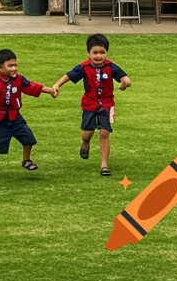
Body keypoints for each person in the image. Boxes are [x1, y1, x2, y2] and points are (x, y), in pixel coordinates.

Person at [0, 48, 56, 181]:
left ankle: (26, 160)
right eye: (10, 66)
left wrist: (49, 90)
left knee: (28, 139)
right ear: (0, 67)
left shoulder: (19, 79)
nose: (14, 68)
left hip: (15, 118)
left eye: (15, 65)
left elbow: (31, 86)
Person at [51, 34, 131, 177]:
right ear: (88, 53)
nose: (99, 56)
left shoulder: (110, 66)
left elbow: (125, 78)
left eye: (102, 52)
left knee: (104, 132)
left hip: (106, 104)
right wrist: (57, 85)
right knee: (87, 132)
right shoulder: (84, 67)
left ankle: (104, 165)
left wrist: (125, 83)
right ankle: (85, 142)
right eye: (95, 52)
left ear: (107, 52)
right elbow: (69, 75)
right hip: (89, 103)